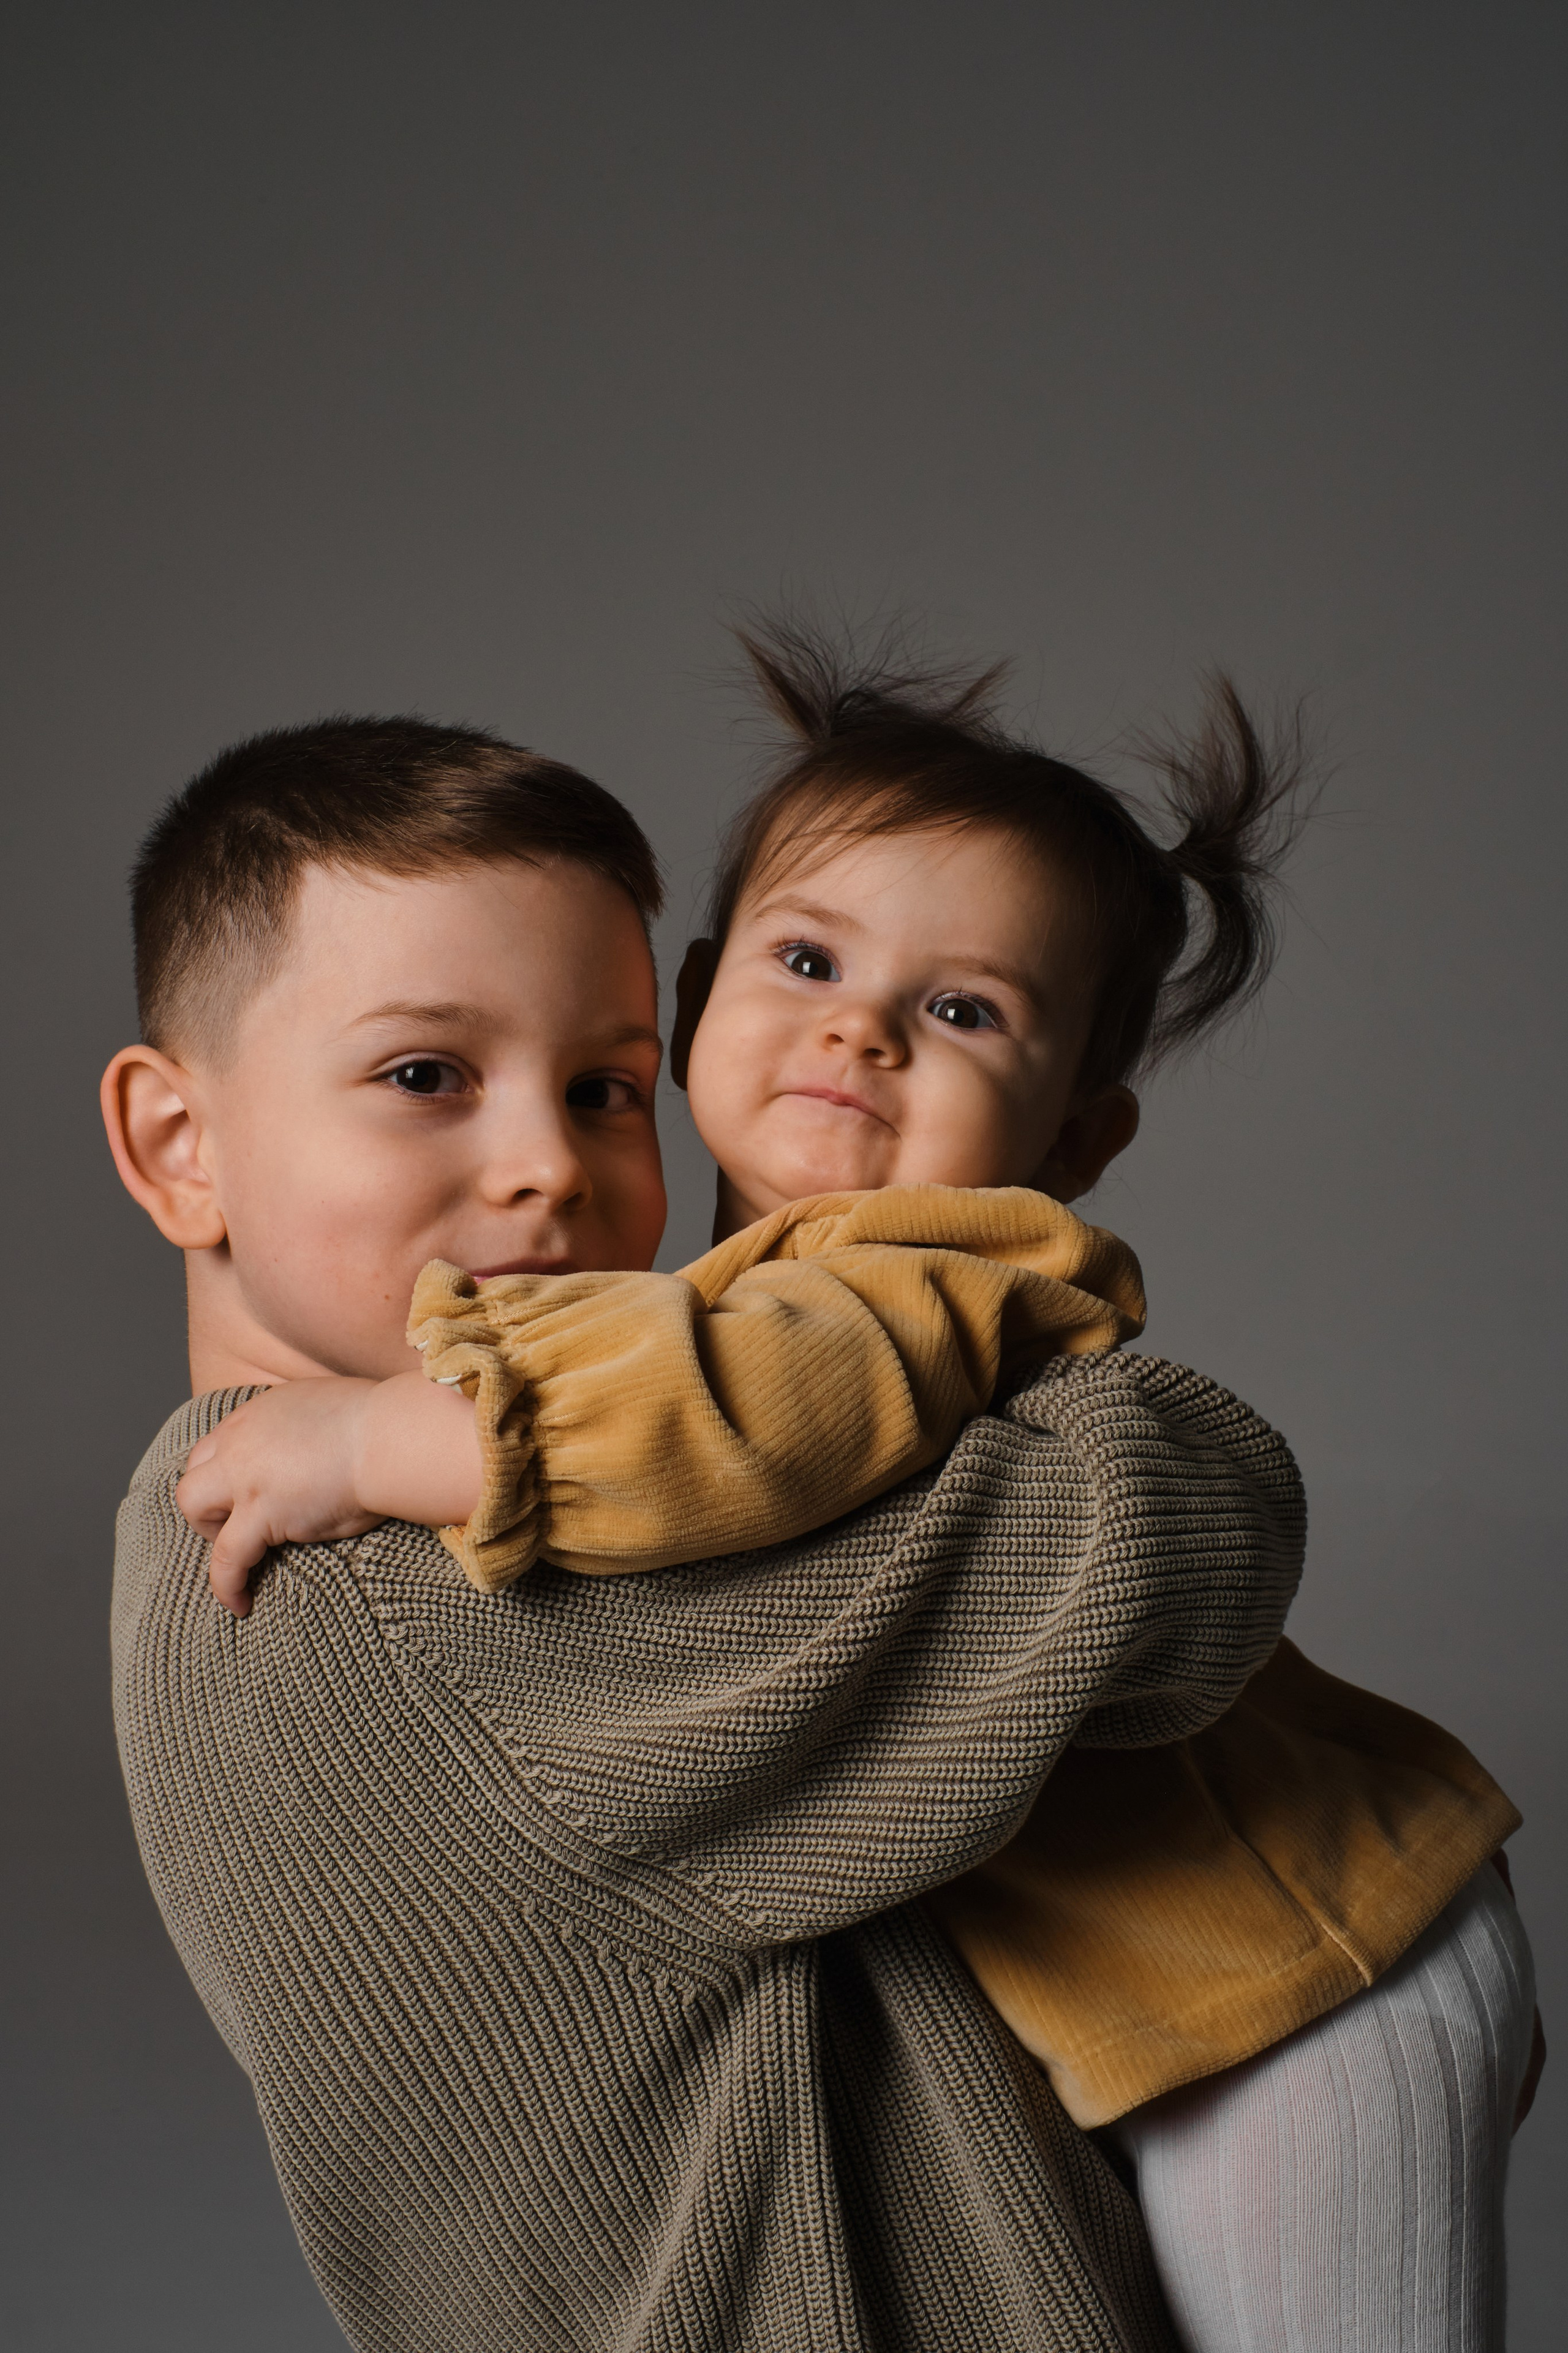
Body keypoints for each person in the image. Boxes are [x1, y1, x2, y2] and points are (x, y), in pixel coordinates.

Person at [166, 629, 1539, 2351]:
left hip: (1319, 1987)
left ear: (1079, 1135)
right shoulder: (706, 1312)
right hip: (1176, 2001)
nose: (861, 1033)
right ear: (691, 1004)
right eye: (807, 957)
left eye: (963, 1009)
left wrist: (377, 1440)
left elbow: (745, 1419)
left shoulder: (913, 1271)